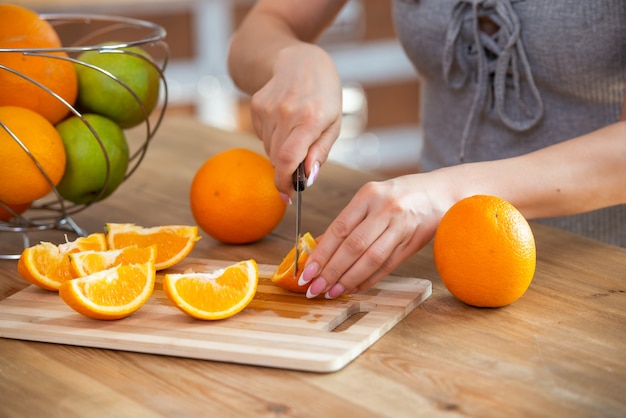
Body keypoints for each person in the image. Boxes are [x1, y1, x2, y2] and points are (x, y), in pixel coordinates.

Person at [227, 0, 626, 299]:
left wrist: (449, 193)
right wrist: (292, 57)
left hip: (600, 275)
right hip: (430, 262)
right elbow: (258, 31)